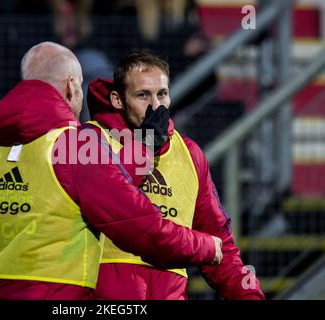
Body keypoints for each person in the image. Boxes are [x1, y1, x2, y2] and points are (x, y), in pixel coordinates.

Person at [0, 42, 223, 300]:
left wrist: (9, 219)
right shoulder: (76, 146)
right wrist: (206, 246)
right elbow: (140, 225)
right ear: (70, 87)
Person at [87, 50, 265, 300]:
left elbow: (219, 243)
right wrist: (146, 145)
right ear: (118, 99)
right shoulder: (91, 140)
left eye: (162, 94)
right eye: (142, 95)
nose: (156, 106)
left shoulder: (190, 154)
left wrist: (249, 295)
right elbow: (109, 199)